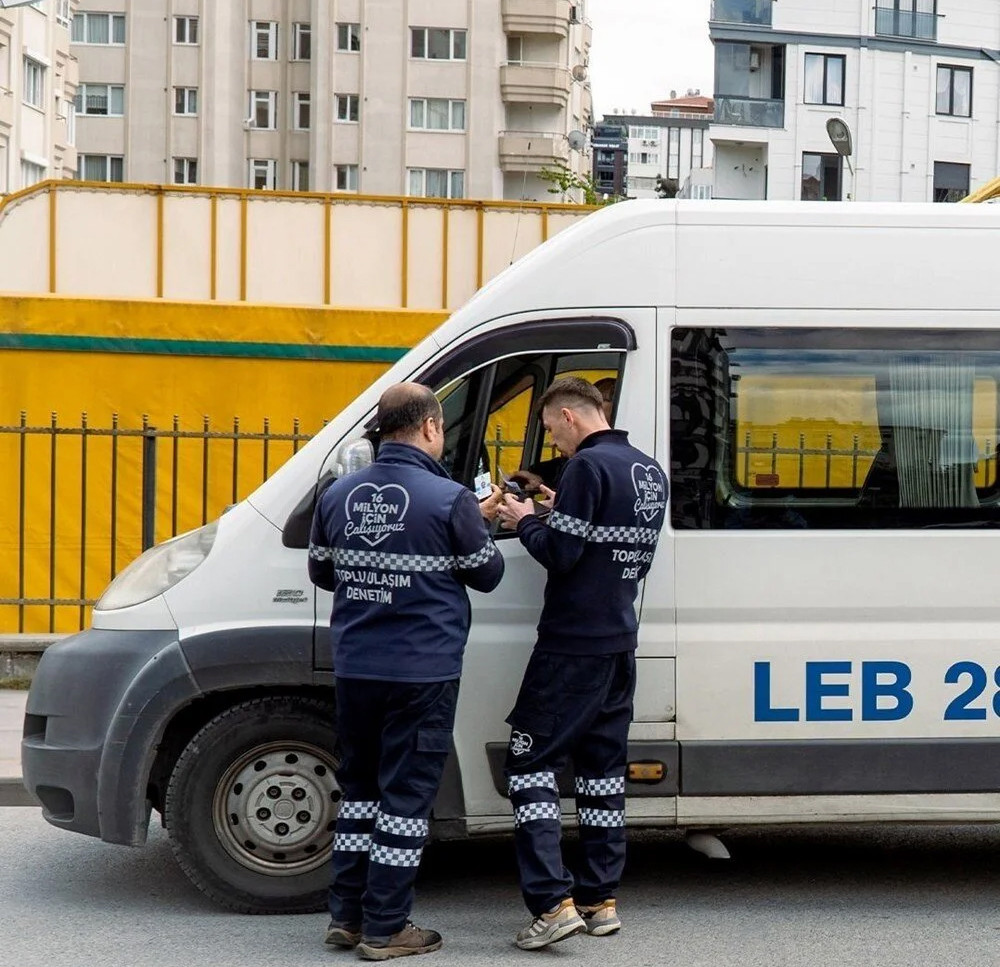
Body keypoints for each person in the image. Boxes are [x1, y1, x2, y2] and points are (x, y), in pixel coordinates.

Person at [308, 383, 504, 961]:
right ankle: (387, 927)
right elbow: (486, 574)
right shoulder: (448, 499)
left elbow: (323, 572)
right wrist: (478, 522)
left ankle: (345, 917)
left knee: (361, 792)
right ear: (429, 429)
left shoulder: (338, 494)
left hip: (358, 668)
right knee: (406, 800)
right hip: (422, 672)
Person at [496, 376, 667, 951]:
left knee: (529, 765)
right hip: (619, 642)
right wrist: (555, 508)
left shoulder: (586, 471)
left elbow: (563, 555)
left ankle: (551, 904)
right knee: (600, 774)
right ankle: (599, 898)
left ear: (569, 415)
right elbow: (615, 550)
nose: (553, 441)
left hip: (571, 647)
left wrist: (524, 520)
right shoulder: (647, 470)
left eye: (550, 428)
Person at [508, 377, 617, 494]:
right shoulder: (580, 459)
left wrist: (526, 513)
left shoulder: (591, 463)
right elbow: (561, 468)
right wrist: (540, 479)